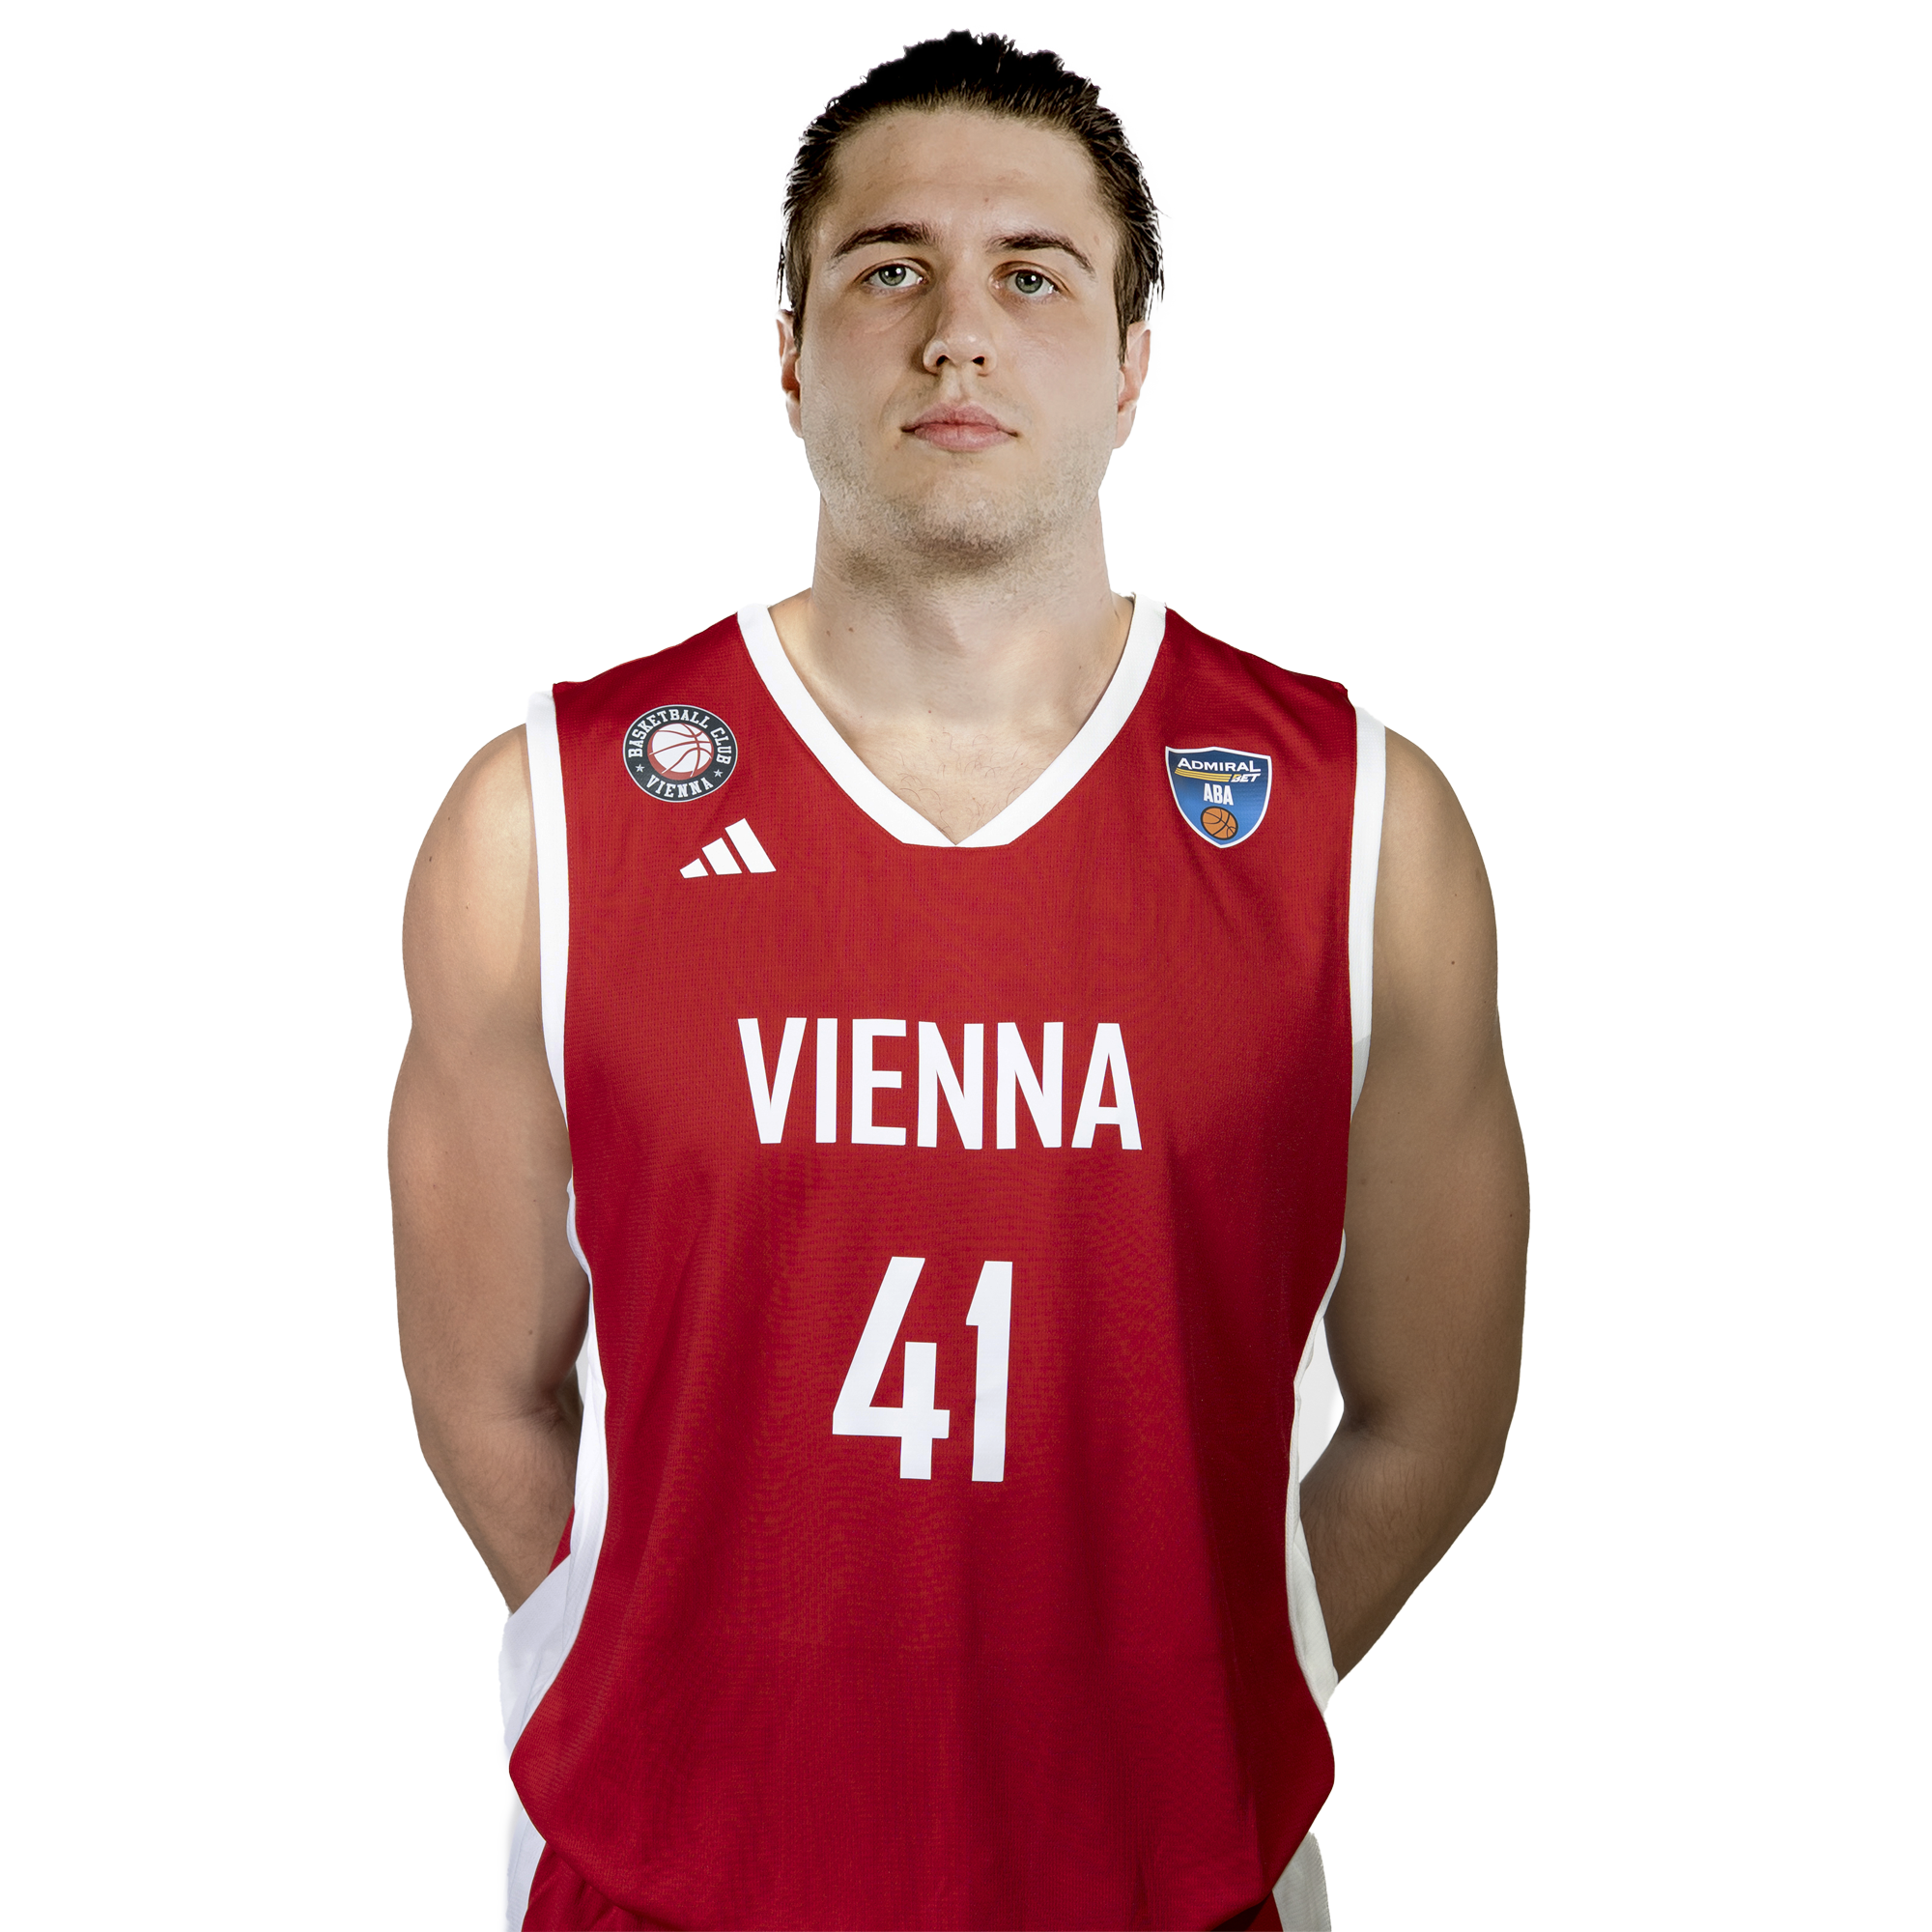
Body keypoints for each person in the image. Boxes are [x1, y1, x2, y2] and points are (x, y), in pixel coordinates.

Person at [390, 30, 1526, 1932]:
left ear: (1133, 362)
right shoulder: (547, 820)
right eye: (888, 267)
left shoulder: (1358, 826)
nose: (957, 335)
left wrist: (1198, 1697)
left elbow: (1433, 1413)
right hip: (669, 1886)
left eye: (1035, 274)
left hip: (1160, 1886)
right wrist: (695, 1684)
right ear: (789, 347)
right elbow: (489, 1396)